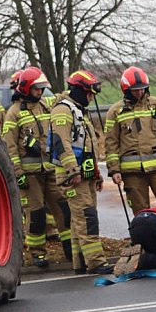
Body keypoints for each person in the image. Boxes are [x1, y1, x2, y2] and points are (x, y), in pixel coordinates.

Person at [2, 67, 71, 267]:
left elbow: (60, 97)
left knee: (62, 208)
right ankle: (37, 253)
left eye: (41, 89)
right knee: (36, 215)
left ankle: (70, 247)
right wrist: (18, 173)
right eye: (36, 89)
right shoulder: (14, 113)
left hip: (50, 170)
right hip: (29, 175)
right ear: (25, 89)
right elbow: (10, 147)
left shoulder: (46, 105)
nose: (40, 92)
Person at [50, 70, 113, 275]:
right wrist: (72, 171)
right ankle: (96, 262)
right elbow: (62, 144)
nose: (91, 98)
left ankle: (80, 262)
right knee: (87, 217)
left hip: (84, 175)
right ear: (79, 91)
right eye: (89, 94)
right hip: (73, 176)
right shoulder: (62, 110)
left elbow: (88, 147)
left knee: (80, 220)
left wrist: (96, 174)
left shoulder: (78, 110)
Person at [104, 66, 156, 215]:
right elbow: (111, 143)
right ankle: (145, 237)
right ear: (126, 90)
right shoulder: (115, 111)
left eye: (142, 89)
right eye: (135, 90)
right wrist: (114, 169)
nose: (139, 93)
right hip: (132, 172)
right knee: (140, 210)